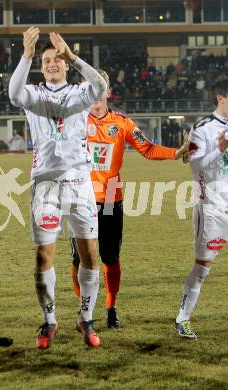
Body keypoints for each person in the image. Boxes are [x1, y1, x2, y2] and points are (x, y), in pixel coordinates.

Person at [9, 27, 107, 349]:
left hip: (80, 182)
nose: (52, 63)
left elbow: (101, 85)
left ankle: (86, 317)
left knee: (90, 254)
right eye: (46, 60)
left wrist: (74, 56)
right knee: (43, 255)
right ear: (41, 67)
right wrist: (26, 55)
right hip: (45, 184)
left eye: (57, 59)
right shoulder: (34, 94)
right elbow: (14, 94)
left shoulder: (80, 93)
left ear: (64, 64)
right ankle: (49, 321)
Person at [70, 70, 187, 328]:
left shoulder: (122, 123)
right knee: (79, 260)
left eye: (101, 88)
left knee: (109, 258)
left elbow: (147, 147)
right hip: (81, 197)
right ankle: (84, 309)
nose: (96, 95)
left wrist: (175, 153)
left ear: (109, 93)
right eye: (91, 88)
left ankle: (111, 306)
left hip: (111, 197)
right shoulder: (74, 121)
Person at [174, 77, 228, 339]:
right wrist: (219, 149)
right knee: (203, 266)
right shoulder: (202, 128)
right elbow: (194, 165)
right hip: (213, 208)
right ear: (221, 97)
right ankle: (182, 319)